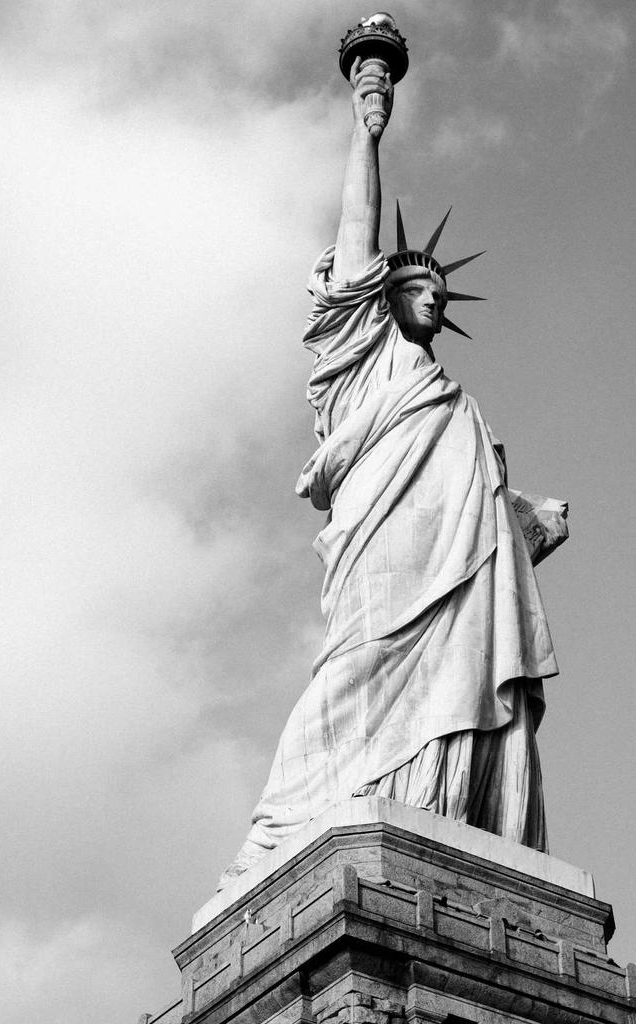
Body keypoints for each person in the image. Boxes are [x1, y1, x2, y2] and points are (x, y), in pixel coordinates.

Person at [219, 59, 564, 889]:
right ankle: (282, 831)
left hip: (461, 580)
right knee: (353, 674)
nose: (433, 298)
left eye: (441, 292)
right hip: (382, 557)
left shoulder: (457, 406)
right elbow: (356, 241)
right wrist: (366, 123)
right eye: (415, 284)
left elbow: (479, 511)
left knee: (465, 682)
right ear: (377, 299)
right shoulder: (361, 362)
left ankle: (444, 813)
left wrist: (524, 521)